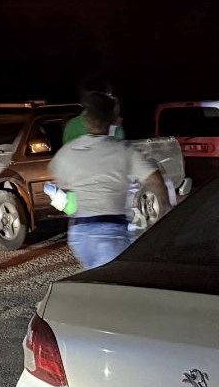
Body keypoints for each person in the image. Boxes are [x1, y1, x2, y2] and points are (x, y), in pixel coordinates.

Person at [50, 92, 169, 270]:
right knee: (118, 286)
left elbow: (59, 183)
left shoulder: (67, 152)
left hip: (79, 235)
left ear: (86, 120)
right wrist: (163, 216)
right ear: (112, 120)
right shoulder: (124, 150)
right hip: (111, 234)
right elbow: (155, 179)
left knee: (96, 282)